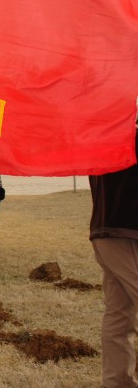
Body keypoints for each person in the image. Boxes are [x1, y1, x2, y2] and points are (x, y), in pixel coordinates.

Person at [89, 124, 138, 388]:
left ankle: (117, 382)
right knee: (120, 316)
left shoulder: (99, 133)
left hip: (106, 232)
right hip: (126, 232)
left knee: (119, 315)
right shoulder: (125, 135)